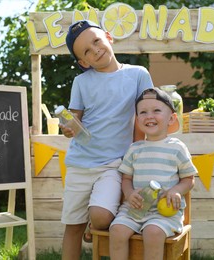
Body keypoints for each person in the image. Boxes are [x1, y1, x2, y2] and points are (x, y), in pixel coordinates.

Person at [60, 20, 154, 260]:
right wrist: (67, 127)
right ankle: (84, 231)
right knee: (73, 226)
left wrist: (136, 154)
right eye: (87, 52)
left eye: (96, 41)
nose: (95, 50)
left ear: (108, 37)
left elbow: (143, 117)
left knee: (101, 217)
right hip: (80, 164)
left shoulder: (138, 75)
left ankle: (94, 227)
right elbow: (74, 119)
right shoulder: (81, 82)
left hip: (114, 164)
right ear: (83, 62)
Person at [109, 88, 197, 260]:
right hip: (135, 208)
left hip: (164, 212)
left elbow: (189, 179)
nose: (149, 116)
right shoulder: (135, 149)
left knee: (153, 232)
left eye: (156, 110)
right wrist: (129, 193)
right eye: (143, 112)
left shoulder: (176, 147)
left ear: (171, 118)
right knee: (117, 230)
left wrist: (176, 190)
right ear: (137, 120)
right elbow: (126, 178)